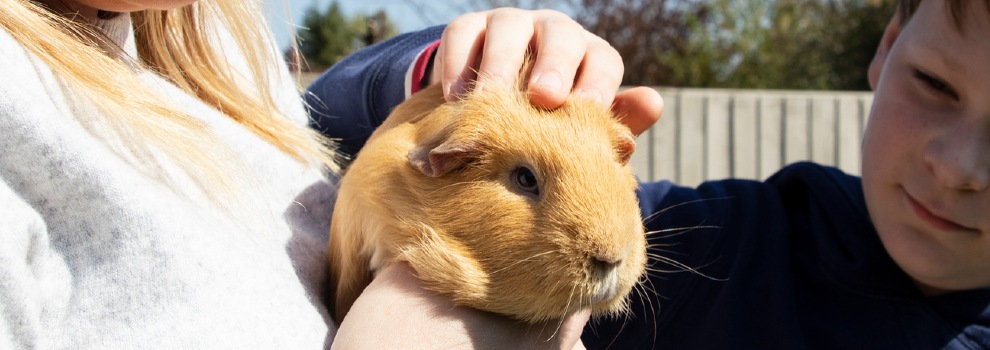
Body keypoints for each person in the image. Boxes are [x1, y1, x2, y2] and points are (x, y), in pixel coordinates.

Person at [308, 0, 990, 348]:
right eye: (933, 83)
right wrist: (447, 80)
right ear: (888, 47)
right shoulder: (724, 243)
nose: (960, 167)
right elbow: (320, 127)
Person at [0, 1, 660, 349]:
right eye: (523, 182)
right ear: (440, 162)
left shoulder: (218, 45)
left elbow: (319, 142)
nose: (606, 245)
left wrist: (454, 73)